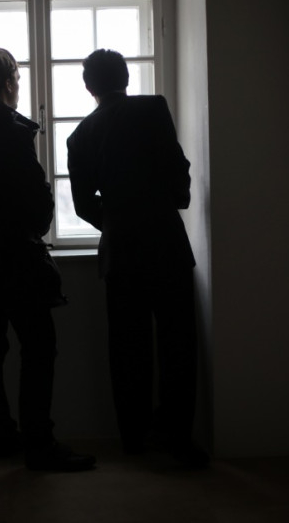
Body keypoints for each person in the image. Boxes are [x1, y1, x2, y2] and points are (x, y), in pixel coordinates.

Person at [0, 47, 95, 472]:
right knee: (38, 349)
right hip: (16, 261)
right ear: (8, 82)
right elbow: (38, 208)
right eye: (17, 77)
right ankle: (39, 443)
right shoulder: (10, 133)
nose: (19, 85)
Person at [66, 49, 208, 467]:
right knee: (177, 344)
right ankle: (177, 437)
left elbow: (81, 204)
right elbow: (176, 166)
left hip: (121, 251)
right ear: (126, 78)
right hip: (165, 240)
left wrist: (115, 220)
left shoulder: (80, 135)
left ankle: (133, 437)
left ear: (89, 87)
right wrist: (171, 200)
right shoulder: (152, 108)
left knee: (127, 347)